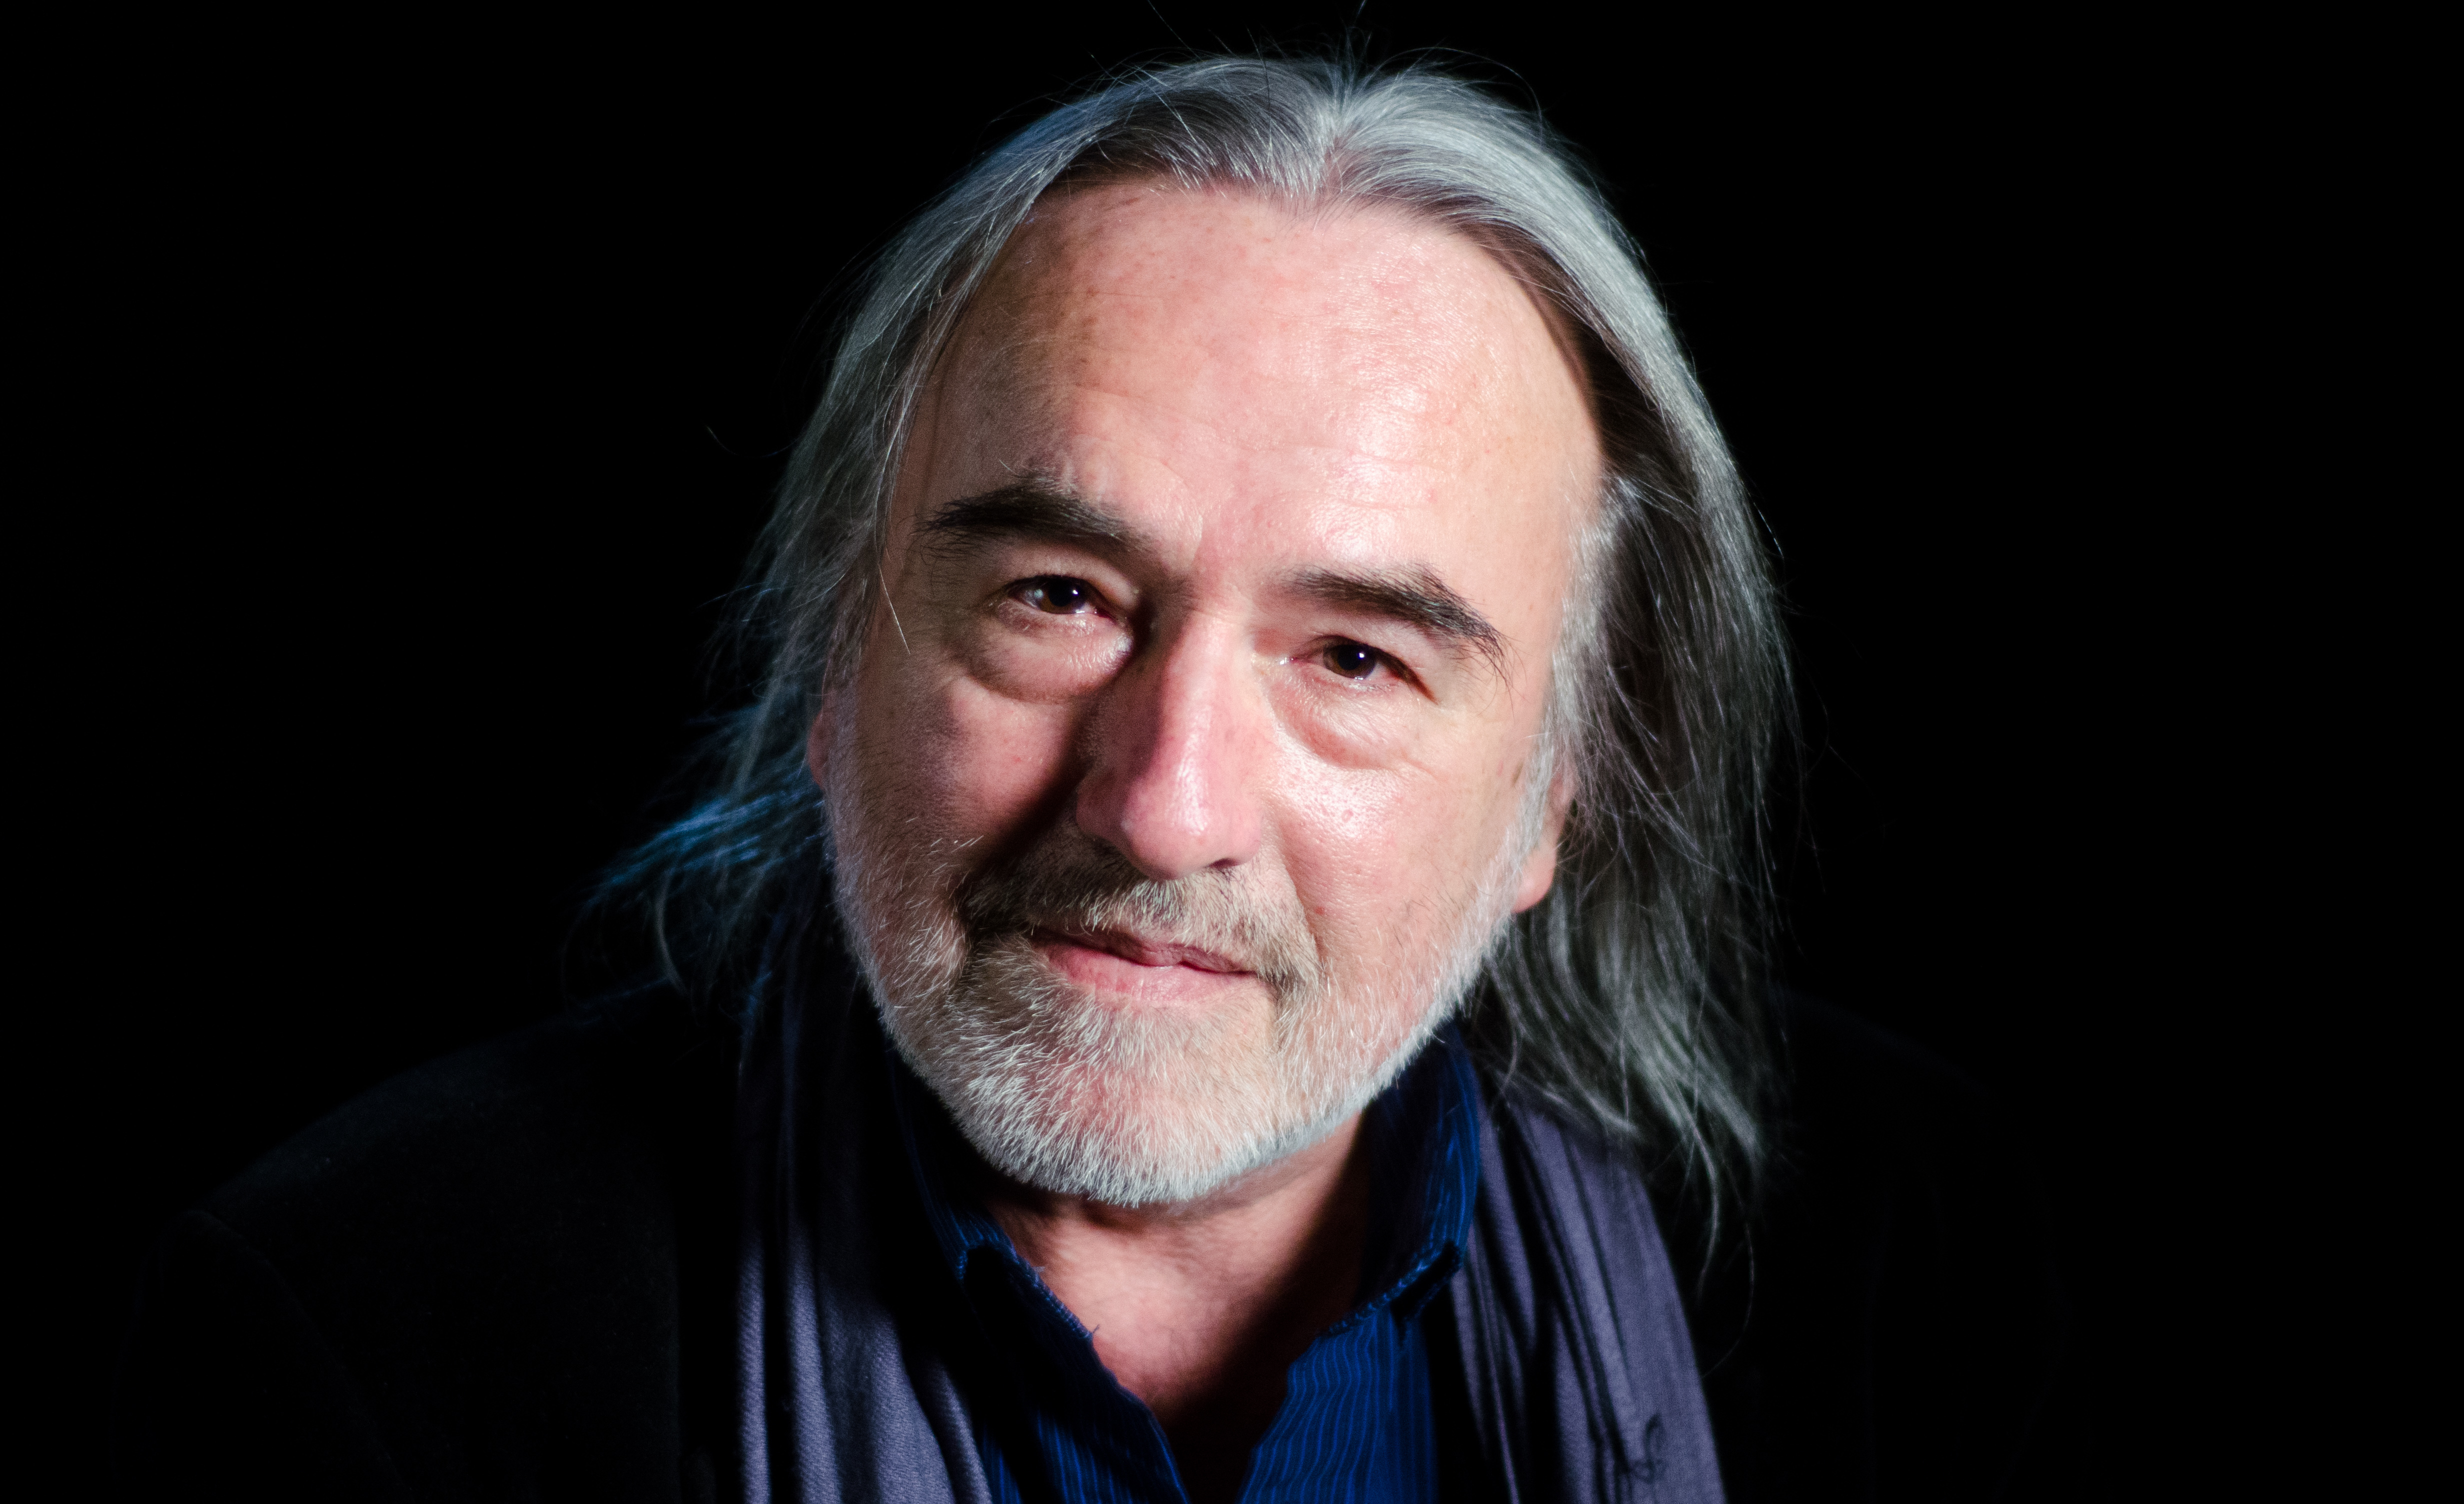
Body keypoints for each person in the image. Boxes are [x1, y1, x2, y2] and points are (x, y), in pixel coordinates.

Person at [114, 56, 2062, 1502]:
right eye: (1058, 597)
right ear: (836, 657)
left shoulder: (1929, 1267)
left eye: (1356, 658)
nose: (1161, 804)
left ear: (1558, 786)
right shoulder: (356, 1335)